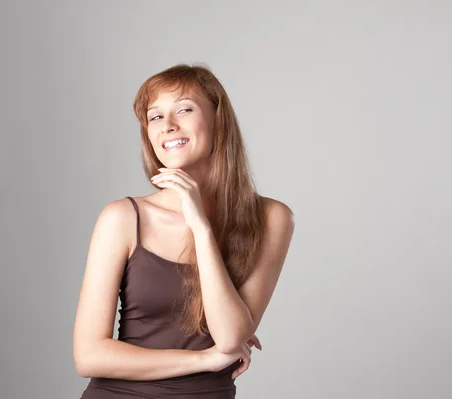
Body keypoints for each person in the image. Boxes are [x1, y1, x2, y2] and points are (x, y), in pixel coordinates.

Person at [73, 64, 295, 398]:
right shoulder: (122, 218)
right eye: (155, 117)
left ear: (218, 119)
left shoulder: (271, 218)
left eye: (184, 109)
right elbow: (89, 357)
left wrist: (201, 228)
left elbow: (231, 338)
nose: (168, 126)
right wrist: (204, 359)